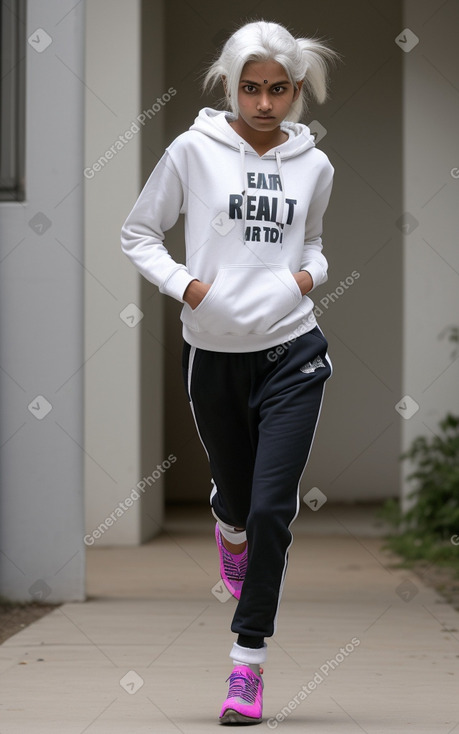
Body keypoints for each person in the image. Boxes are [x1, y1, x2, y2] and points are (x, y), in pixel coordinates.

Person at [121, 19, 337, 725]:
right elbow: (139, 232)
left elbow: (315, 243)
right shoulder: (193, 151)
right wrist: (189, 289)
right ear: (231, 85)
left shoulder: (314, 165)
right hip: (212, 356)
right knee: (240, 505)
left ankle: (247, 667)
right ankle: (227, 522)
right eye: (251, 88)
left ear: (296, 90)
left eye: (277, 90)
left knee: (274, 509)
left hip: (292, 355)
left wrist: (307, 277)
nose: (264, 102)